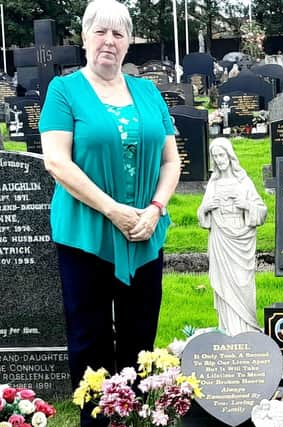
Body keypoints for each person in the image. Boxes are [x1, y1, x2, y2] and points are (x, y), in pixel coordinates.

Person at [38, 1, 181, 426]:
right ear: (84, 38)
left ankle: (135, 416)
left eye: (119, 34)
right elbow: (57, 162)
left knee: (140, 338)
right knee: (90, 338)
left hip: (144, 233)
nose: (110, 41)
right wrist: (114, 210)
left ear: (128, 42)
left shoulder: (148, 92)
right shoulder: (64, 92)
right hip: (87, 234)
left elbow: (171, 161)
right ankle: (97, 420)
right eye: (101, 32)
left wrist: (155, 209)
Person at [197, 137, 267, 336]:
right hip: (220, 237)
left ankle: (247, 327)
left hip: (241, 239)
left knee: (243, 283)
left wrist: (246, 205)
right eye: (215, 156)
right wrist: (206, 208)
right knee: (224, 284)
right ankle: (227, 328)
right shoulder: (214, 183)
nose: (219, 160)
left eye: (221, 155)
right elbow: (202, 213)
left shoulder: (243, 181)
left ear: (229, 155)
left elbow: (261, 211)